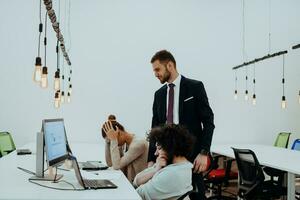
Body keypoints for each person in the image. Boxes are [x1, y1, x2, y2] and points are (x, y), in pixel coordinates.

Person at [148, 50, 215, 199]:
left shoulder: (195, 87)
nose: (155, 74)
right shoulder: (158, 95)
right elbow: (155, 128)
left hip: (192, 156)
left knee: (196, 196)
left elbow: (208, 122)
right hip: (165, 156)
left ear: (170, 65)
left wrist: (204, 152)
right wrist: (150, 160)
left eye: (157, 69)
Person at [134, 124, 195, 200]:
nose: (155, 153)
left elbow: (136, 194)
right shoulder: (182, 166)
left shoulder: (172, 173)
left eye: (159, 148)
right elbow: (136, 181)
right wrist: (156, 170)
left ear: (170, 147)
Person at [101, 115, 148, 183]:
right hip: (127, 182)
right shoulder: (123, 143)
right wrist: (107, 142)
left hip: (137, 187)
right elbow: (110, 163)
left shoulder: (138, 144)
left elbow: (117, 166)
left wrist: (114, 140)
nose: (112, 143)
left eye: (111, 140)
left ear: (119, 133)